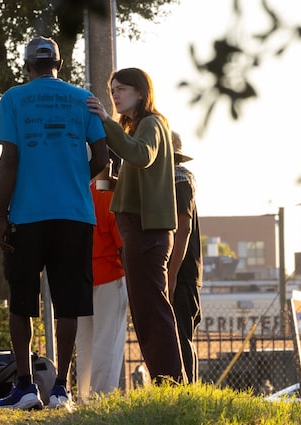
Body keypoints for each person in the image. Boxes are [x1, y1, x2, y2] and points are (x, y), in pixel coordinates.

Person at [0, 36, 108, 411]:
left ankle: (25, 387)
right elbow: (103, 157)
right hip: (75, 215)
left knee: (21, 302)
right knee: (69, 304)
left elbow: (9, 159)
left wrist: (1, 213)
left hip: (26, 215)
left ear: (27, 66)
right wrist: (76, 176)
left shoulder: (12, 99)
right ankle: (61, 389)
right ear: (59, 64)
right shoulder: (83, 99)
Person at [86, 67, 186, 384]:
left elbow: (140, 155)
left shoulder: (152, 124)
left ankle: (171, 381)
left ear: (141, 92)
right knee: (146, 312)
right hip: (138, 231)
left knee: (153, 312)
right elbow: (121, 184)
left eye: (122, 89)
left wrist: (104, 120)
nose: (114, 94)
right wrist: (91, 174)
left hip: (146, 233)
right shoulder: (141, 126)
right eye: (112, 88)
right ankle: (167, 380)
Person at [74, 156, 128, 402]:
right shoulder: (105, 192)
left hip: (78, 277)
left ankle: (84, 397)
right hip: (109, 274)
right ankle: (101, 399)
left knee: (84, 343)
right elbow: (122, 243)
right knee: (107, 340)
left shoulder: (73, 191)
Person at [168, 131, 202, 383]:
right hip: (176, 269)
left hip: (182, 270)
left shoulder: (180, 179)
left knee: (181, 336)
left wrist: (171, 274)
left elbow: (184, 228)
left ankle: (186, 391)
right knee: (173, 334)